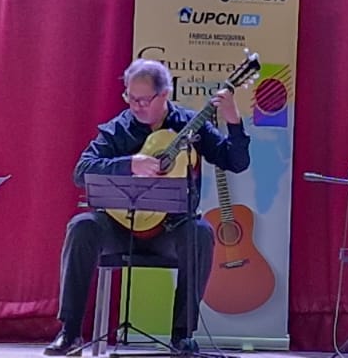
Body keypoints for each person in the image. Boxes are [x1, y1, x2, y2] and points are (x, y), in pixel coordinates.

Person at [46, 58, 251, 356]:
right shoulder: (119, 129)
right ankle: (70, 333)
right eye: (131, 98)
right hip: (119, 229)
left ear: (165, 94)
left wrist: (232, 119)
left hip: (170, 231)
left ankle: (182, 336)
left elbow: (236, 162)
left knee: (201, 233)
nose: (137, 106)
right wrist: (130, 164)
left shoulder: (189, 125)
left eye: (144, 99)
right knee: (82, 226)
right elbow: (82, 170)